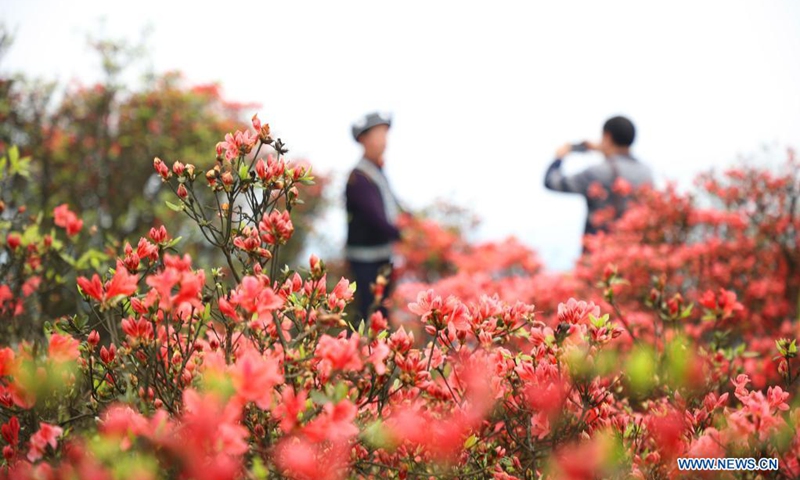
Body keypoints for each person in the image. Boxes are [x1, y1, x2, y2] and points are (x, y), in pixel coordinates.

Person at [544, 115, 653, 238]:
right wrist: (603, 149)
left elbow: (552, 182)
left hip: (600, 245)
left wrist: (559, 157)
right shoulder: (646, 172)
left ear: (607, 136)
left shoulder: (597, 172)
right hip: (635, 244)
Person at [345, 112, 403, 323]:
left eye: (385, 134)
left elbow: (394, 205)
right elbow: (376, 218)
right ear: (363, 139)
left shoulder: (376, 171)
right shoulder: (359, 177)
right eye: (379, 134)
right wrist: (404, 234)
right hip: (365, 260)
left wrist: (413, 224)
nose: (384, 140)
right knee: (370, 313)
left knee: (381, 313)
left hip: (381, 257)